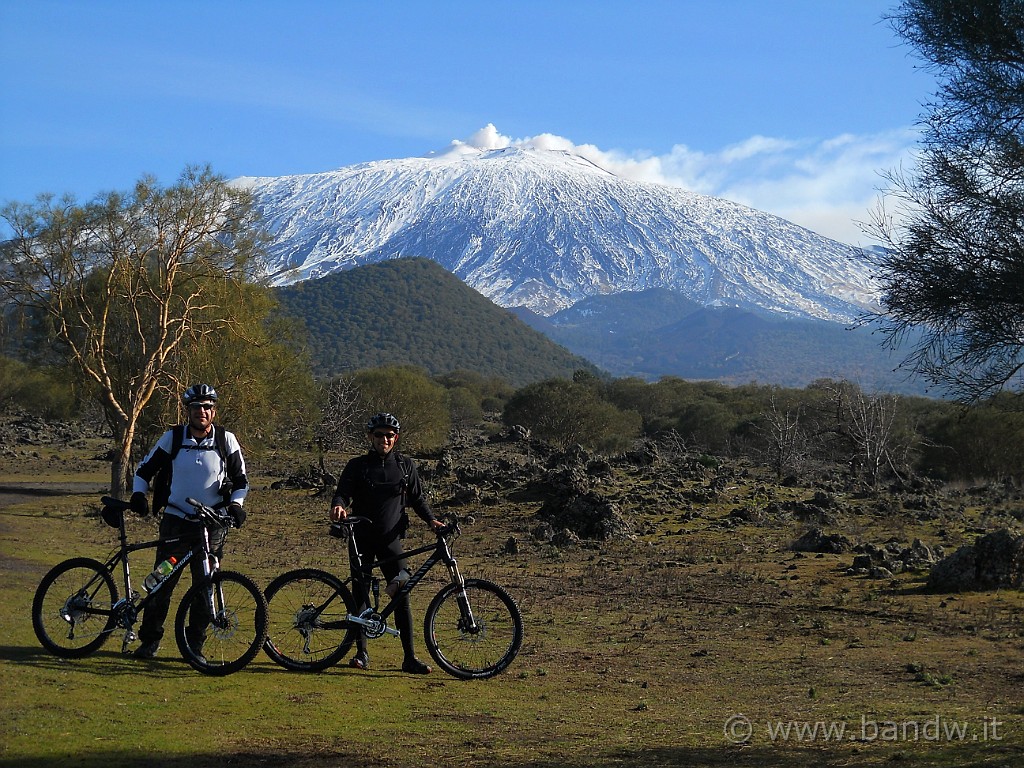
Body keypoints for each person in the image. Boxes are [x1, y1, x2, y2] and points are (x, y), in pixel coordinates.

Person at [128, 383, 249, 659]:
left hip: (212, 525)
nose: (202, 412)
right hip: (176, 523)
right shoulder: (173, 437)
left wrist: (236, 505)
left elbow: (242, 480)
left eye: (207, 407)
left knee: (206, 586)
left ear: (214, 411)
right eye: (196, 407)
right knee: (161, 582)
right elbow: (143, 471)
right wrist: (138, 495)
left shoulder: (225, 439)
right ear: (188, 411)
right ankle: (149, 643)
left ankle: (194, 647)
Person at [330, 412, 444, 674]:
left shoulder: (405, 465)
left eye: (390, 435)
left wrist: (431, 521)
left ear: (396, 438)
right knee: (360, 593)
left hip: (391, 540)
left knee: (404, 587)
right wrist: (338, 506)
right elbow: (342, 493)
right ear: (370, 437)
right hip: (360, 538)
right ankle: (361, 654)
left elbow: (418, 499)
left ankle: (409, 658)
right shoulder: (357, 465)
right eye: (379, 435)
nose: (384, 439)